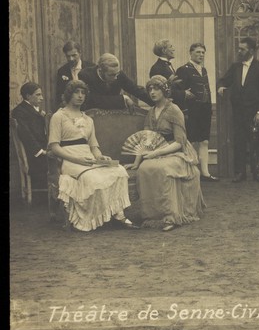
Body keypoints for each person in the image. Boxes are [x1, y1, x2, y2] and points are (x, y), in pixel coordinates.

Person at [48, 80, 134, 231]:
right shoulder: (58, 116)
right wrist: (76, 159)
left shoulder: (89, 119)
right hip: (70, 160)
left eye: (83, 93)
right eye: (77, 92)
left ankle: (117, 214)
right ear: (69, 94)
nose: (80, 96)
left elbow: (94, 147)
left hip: (89, 158)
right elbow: (54, 147)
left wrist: (100, 157)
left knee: (119, 171)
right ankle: (91, 217)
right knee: (92, 178)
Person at [124, 75, 205, 232]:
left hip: (177, 152)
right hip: (156, 152)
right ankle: (151, 216)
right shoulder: (151, 112)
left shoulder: (174, 110)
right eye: (150, 89)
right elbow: (146, 139)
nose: (152, 92)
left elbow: (180, 142)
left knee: (163, 169)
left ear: (165, 90)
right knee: (144, 168)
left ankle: (170, 216)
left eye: (156, 89)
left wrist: (157, 153)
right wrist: (136, 161)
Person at [217, 37, 259, 182]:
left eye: (242, 49)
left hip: (254, 113)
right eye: (239, 49)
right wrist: (222, 86)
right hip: (238, 112)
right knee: (239, 142)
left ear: (251, 51)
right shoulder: (235, 67)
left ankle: (256, 172)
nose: (239, 51)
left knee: (255, 143)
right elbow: (224, 80)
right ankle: (240, 173)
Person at [174, 42, 219, 182]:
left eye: (203, 52)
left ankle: (205, 173)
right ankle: (191, 172)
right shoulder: (183, 69)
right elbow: (179, 91)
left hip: (204, 110)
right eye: (198, 52)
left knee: (204, 141)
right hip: (191, 111)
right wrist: (185, 111)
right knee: (191, 141)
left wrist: (209, 108)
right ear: (191, 53)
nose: (201, 55)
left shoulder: (204, 70)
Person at [78, 53, 154, 111]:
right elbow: (91, 100)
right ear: (100, 70)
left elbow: (135, 89)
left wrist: (156, 102)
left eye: (117, 74)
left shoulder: (118, 74)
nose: (116, 77)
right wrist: (122, 99)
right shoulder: (85, 76)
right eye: (111, 75)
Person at [11, 82, 49, 188]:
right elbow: (26, 135)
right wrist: (41, 151)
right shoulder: (19, 112)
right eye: (38, 95)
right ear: (28, 96)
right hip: (34, 156)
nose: (42, 98)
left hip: (41, 149)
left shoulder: (33, 109)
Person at [55, 41, 95, 113]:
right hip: (70, 109)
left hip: (90, 108)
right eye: (68, 56)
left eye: (74, 55)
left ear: (80, 53)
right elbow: (59, 93)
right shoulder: (62, 71)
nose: (71, 59)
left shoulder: (91, 67)